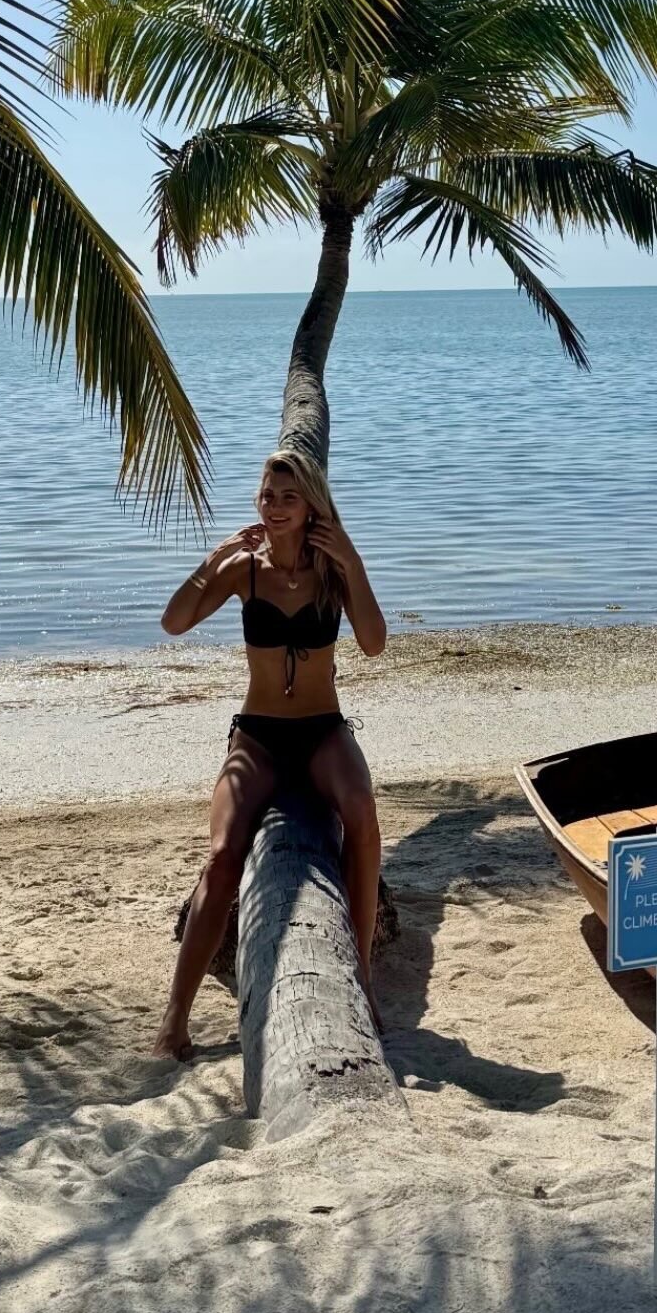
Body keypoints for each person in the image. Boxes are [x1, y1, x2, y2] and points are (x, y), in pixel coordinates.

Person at [153, 449, 387, 1062]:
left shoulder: (332, 569)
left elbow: (374, 643)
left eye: (288, 496)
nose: (275, 507)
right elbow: (174, 622)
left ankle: (361, 974)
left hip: (322, 732)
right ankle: (175, 1016)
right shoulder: (245, 571)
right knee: (222, 857)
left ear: (311, 505)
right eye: (267, 495)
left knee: (362, 814)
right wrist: (212, 561)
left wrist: (354, 562)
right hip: (257, 737)